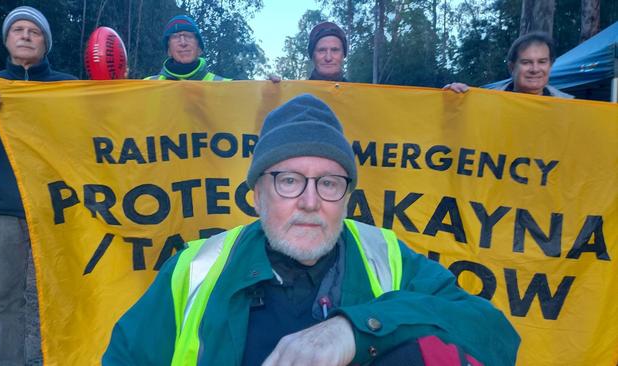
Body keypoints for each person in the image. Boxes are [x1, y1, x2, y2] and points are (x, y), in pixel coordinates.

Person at [103, 94, 520, 365]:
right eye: (288, 180)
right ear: (256, 195)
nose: (309, 201)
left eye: (329, 182)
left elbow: (495, 336)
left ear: (347, 198)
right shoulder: (194, 269)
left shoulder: (386, 256)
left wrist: (357, 329)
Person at [0, 6, 76, 364]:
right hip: (4, 209)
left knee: (68, 291)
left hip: (60, 207)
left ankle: (71, 356)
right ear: (7, 40)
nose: (26, 35)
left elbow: (91, 142)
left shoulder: (69, 87)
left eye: (35, 31)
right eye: (19, 30)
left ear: (46, 42)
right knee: (5, 299)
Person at [444, 32, 573, 98]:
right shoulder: (486, 101)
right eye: (526, 62)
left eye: (542, 62)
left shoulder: (570, 108)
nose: (535, 69)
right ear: (512, 67)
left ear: (550, 65)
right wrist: (452, 101)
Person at [145, 15, 229, 81]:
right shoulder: (147, 86)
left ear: (199, 48)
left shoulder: (226, 88)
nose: (183, 43)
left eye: (189, 36)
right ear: (168, 50)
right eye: (175, 37)